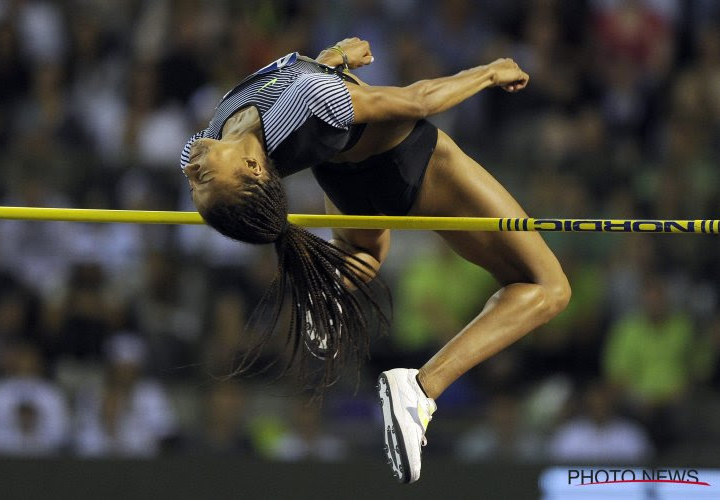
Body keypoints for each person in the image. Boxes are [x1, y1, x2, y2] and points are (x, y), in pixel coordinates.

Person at [180, 38, 570, 483]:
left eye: (197, 184)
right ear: (253, 169)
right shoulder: (309, 104)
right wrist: (489, 72)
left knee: (365, 253)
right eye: (204, 178)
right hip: (415, 167)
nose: (192, 171)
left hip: (346, 183)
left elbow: (288, 85)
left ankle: (330, 290)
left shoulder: (204, 140)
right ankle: (421, 389)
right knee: (549, 288)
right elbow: (417, 101)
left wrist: (333, 61)